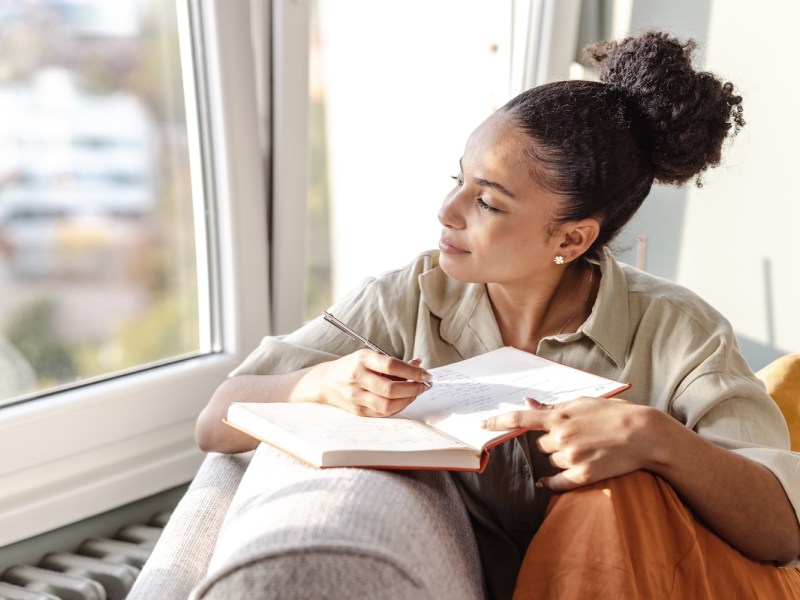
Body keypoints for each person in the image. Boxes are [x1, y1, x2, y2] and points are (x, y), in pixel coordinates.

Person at [195, 30, 800, 598]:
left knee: (622, 492)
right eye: (457, 179)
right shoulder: (406, 298)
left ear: (572, 238)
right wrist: (317, 383)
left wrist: (654, 439)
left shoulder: (678, 330)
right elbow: (216, 421)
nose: (447, 211)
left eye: (486, 200)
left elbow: (783, 530)